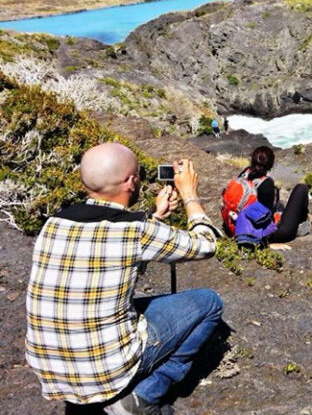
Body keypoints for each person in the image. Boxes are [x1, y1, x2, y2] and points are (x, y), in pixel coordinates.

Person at [25, 143, 222, 415]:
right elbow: (207, 244)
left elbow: (110, 253)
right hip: (106, 372)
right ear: (131, 182)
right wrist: (189, 194)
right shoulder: (136, 230)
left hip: (51, 371)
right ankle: (144, 396)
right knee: (209, 303)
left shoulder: (54, 223)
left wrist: (156, 216)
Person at [223, 146, 310, 249]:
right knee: (302, 188)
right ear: (271, 165)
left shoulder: (245, 173)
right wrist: (268, 245)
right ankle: (303, 221)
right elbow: (264, 221)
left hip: (235, 226)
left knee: (279, 205)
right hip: (268, 235)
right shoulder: (266, 184)